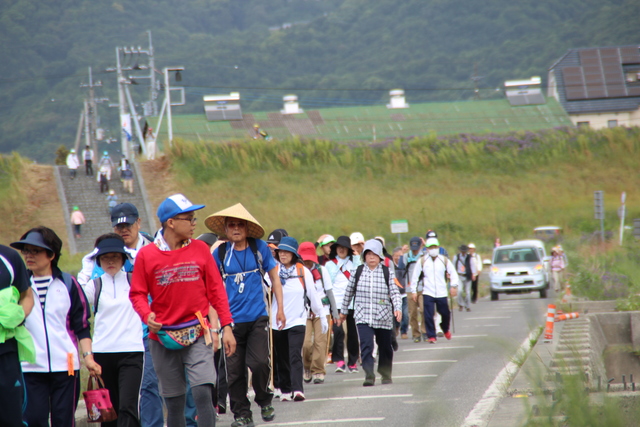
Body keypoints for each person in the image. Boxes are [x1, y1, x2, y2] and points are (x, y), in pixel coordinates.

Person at [130, 194, 236, 427]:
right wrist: (147, 315)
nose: (194, 223)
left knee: (201, 394)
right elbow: (137, 293)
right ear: (171, 222)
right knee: (174, 403)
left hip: (198, 333)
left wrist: (226, 327)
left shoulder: (200, 250)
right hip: (162, 337)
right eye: (189, 218)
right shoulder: (146, 255)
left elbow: (216, 291)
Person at [11, 226, 100, 426]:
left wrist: (88, 358)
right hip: (30, 367)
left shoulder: (69, 284)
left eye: (35, 251)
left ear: (51, 254)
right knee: (33, 420)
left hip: (66, 367)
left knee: (64, 421)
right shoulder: (17, 288)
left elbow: (82, 326)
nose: (29, 255)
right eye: (26, 250)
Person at [206, 203, 286, 427]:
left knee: (260, 363)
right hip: (230, 323)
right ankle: (242, 414)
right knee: (234, 371)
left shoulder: (258, 248)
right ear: (226, 228)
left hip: (258, 317)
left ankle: (263, 398)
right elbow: (213, 290)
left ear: (247, 227)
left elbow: (275, 280)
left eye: (240, 224)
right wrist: (215, 327)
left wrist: (280, 308)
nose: (236, 228)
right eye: (232, 225)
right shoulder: (220, 253)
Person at [82, 234, 143, 427]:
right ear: (98, 260)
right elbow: (78, 298)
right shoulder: (95, 284)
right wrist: (87, 264)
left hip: (132, 352)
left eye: (116, 256)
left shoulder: (135, 281)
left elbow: (150, 273)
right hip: (103, 354)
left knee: (128, 406)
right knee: (108, 411)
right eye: (105, 257)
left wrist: (134, 256)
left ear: (124, 258)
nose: (110, 261)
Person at [337, 239, 402, 386]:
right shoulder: (358, 271)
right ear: (364, 256)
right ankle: (369, 374)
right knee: (366, 345)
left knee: (385, 346)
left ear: (380, 256)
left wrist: (397, 308)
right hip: (363, 315)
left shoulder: (387, 272)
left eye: (374, 254)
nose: (371, 257)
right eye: (368, 254)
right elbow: (349, 292)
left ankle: (385, 374)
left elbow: (395, 292)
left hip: (383, 316)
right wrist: (344, 311)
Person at [270, 237, 326, 402]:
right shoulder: (273, 270)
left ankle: (297, 389)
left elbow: (313, 296)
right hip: (277, 321)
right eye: (281, 252)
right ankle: (285, 390)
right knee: (281, 356)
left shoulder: (303, 271)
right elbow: (264, 289)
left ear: (294, 254)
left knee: (294, 353)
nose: (283, 255)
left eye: (287, 252)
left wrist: (322, 315)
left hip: (298, 320)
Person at [0, 244, 35, 427]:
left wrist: (18, 315)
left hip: (6, 352)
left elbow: (27, 296)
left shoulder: (8, 257)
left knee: (13, 419)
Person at [299, 241, 338, 385]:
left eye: (309, 258)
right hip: (304, 312)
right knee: (306, 343)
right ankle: (307, 367)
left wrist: (335, 313)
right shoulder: (298, 271)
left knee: (320, 342)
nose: (307, 261)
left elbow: (329, 292)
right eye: (305, 257)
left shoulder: (322, 270)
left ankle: (318, 371)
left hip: (323, 310)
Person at [410, 236, 459, 344]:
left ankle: (445, 328)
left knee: (445, 313)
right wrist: (413, 291)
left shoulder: (444, 260)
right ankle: (431, 335)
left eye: (435, 247)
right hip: (428, 291)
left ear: (438, 247)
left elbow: (453, 273)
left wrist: (454, 286)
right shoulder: (422, 261)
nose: (433, 249)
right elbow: (415, 276)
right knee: (428, 314)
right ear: (427, 249)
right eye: (430, 247)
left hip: (442, 292)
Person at [324, 235, 360, 373]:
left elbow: (359, 274)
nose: (341, 250)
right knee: (338, 332)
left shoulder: (354, 263)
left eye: (344, 247)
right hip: (337, 303)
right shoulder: (329, 264)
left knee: (352, 333)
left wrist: (356, 256)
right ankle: (339, 360)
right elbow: (327, 284)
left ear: (348, 249)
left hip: (352, 303)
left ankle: (352, 362)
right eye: (339, 247)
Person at [403, 236, 426, 343]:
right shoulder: (405, 257)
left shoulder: (425, 256)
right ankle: (416, 334)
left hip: (423, 287)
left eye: (417, 247)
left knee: (423, 310)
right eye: (413, 247)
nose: (415, 250)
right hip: (409, 289)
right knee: (412, 313)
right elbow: (399, 269)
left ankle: (425, 331)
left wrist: (426, 245)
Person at [392, 247, 409, 339]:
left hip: (405, 293)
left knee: (405, 314)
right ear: (393, 256)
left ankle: (404, 331)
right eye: (397, 256)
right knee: (395, 315)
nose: (399, 258)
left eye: (401, 256)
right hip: (394, 294)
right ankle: (397, 327)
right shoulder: (390, 266)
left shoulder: (405, 265)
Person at [454, 245, 477, 312]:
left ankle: (468, 306)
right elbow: (453, 266)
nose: (463, 252)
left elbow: (472, 266)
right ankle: (460, 304)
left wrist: (473, 274)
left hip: (467, 276)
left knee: (468, 292)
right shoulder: (457, 257)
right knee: (459, 291)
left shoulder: (469, 257)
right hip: (459, 275)